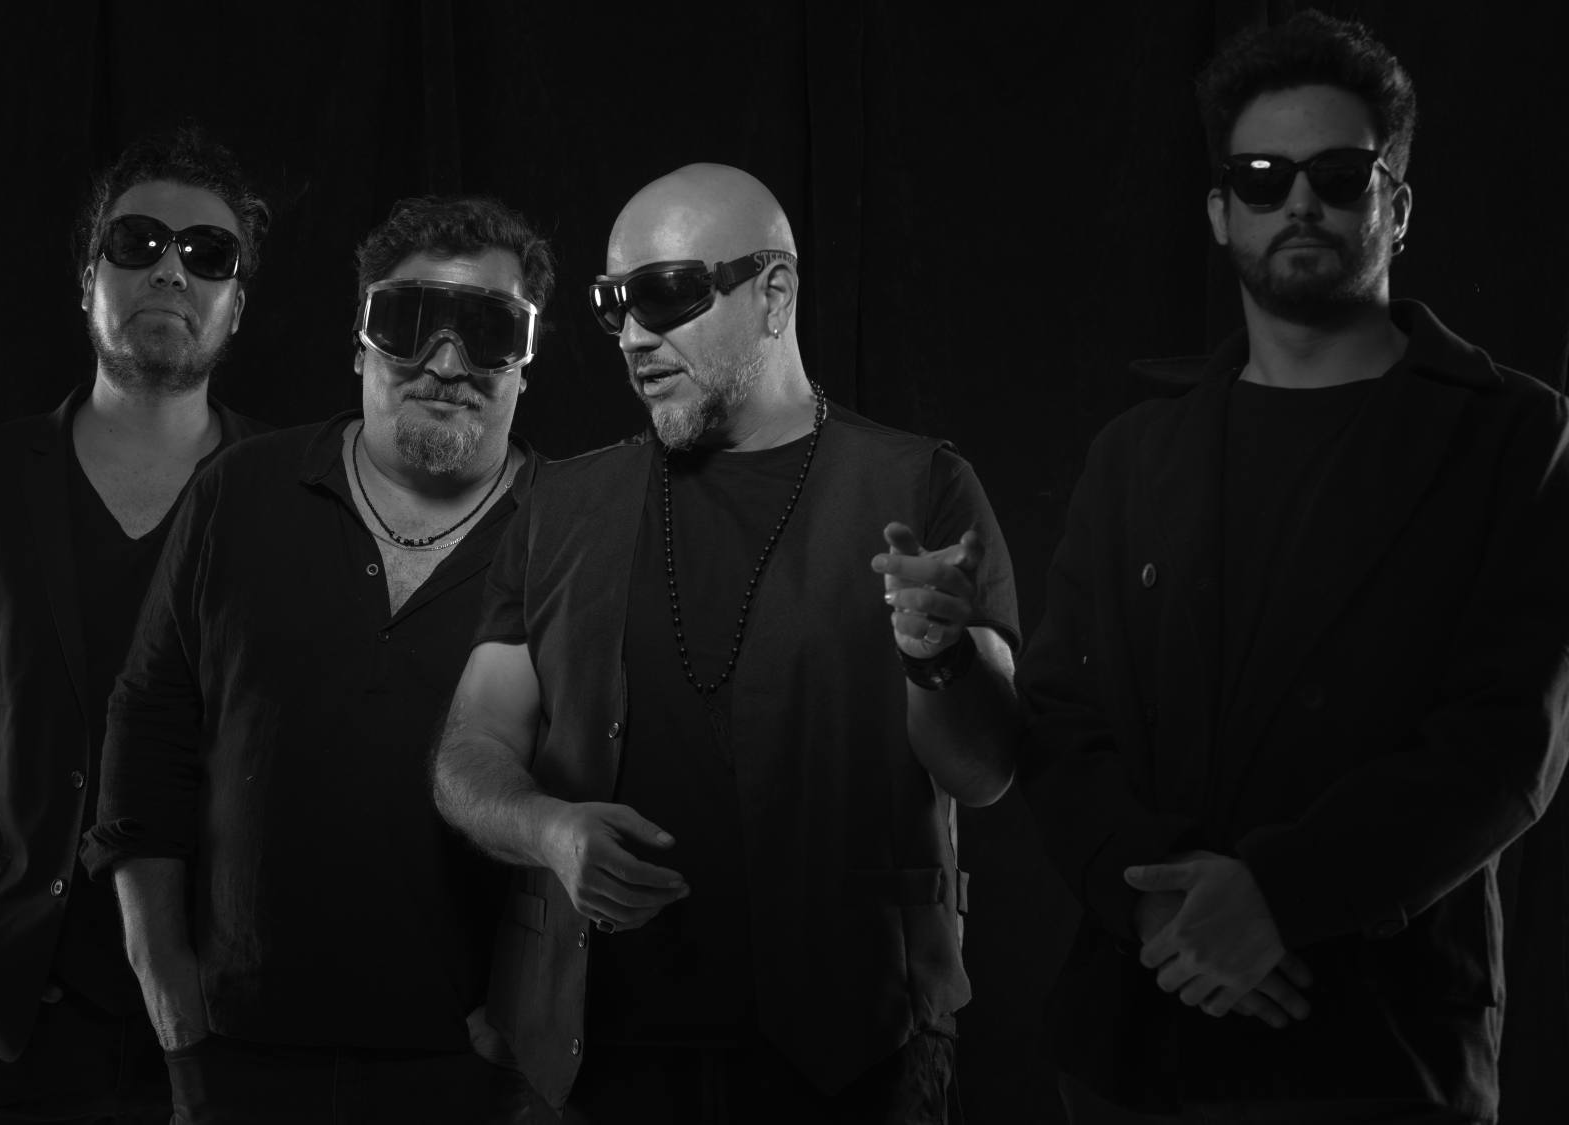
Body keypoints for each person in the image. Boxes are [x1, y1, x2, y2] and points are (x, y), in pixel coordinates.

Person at [1018, 13, 1569, 1123]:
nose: (1299, 203)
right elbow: (1060, 721)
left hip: (1380, 1050)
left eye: (1338, 175)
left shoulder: (1515, 436)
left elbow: (1508, 741)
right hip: (1137, 1042)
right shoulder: (1135, 455)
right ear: (1221, 211)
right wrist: (1161, 911)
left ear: (1394, 207)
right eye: (1262, 179)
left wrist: (1278, 897)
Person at [431, 163, 1025, 1123]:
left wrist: (939, 657)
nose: (634, 335)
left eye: (667, 295)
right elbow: (470, 750)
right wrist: (549, 829)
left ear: (775, 292)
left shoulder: (921, 488)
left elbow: (986, 771)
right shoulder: (558, 508)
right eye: (614, 304)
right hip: (590, 1068)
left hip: (854, 1061)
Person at [81, 195, 555, 1123]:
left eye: (489, 331)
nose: (446, 363)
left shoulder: (575, 534)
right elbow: (145, 742)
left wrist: (532, 1014)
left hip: (475, 1079)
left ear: (526, 363)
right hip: (243, 1062)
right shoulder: (238, 494)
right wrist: (174, 1008)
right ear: (360, 345)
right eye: (409, 323)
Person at [0, 126, 272, 1122]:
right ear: (88, 278)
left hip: (223, 1039)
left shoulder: (290, 496)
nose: (170, 270)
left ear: (236, 305)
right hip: (16, 1035)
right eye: (138, 243)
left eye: (207, 254)